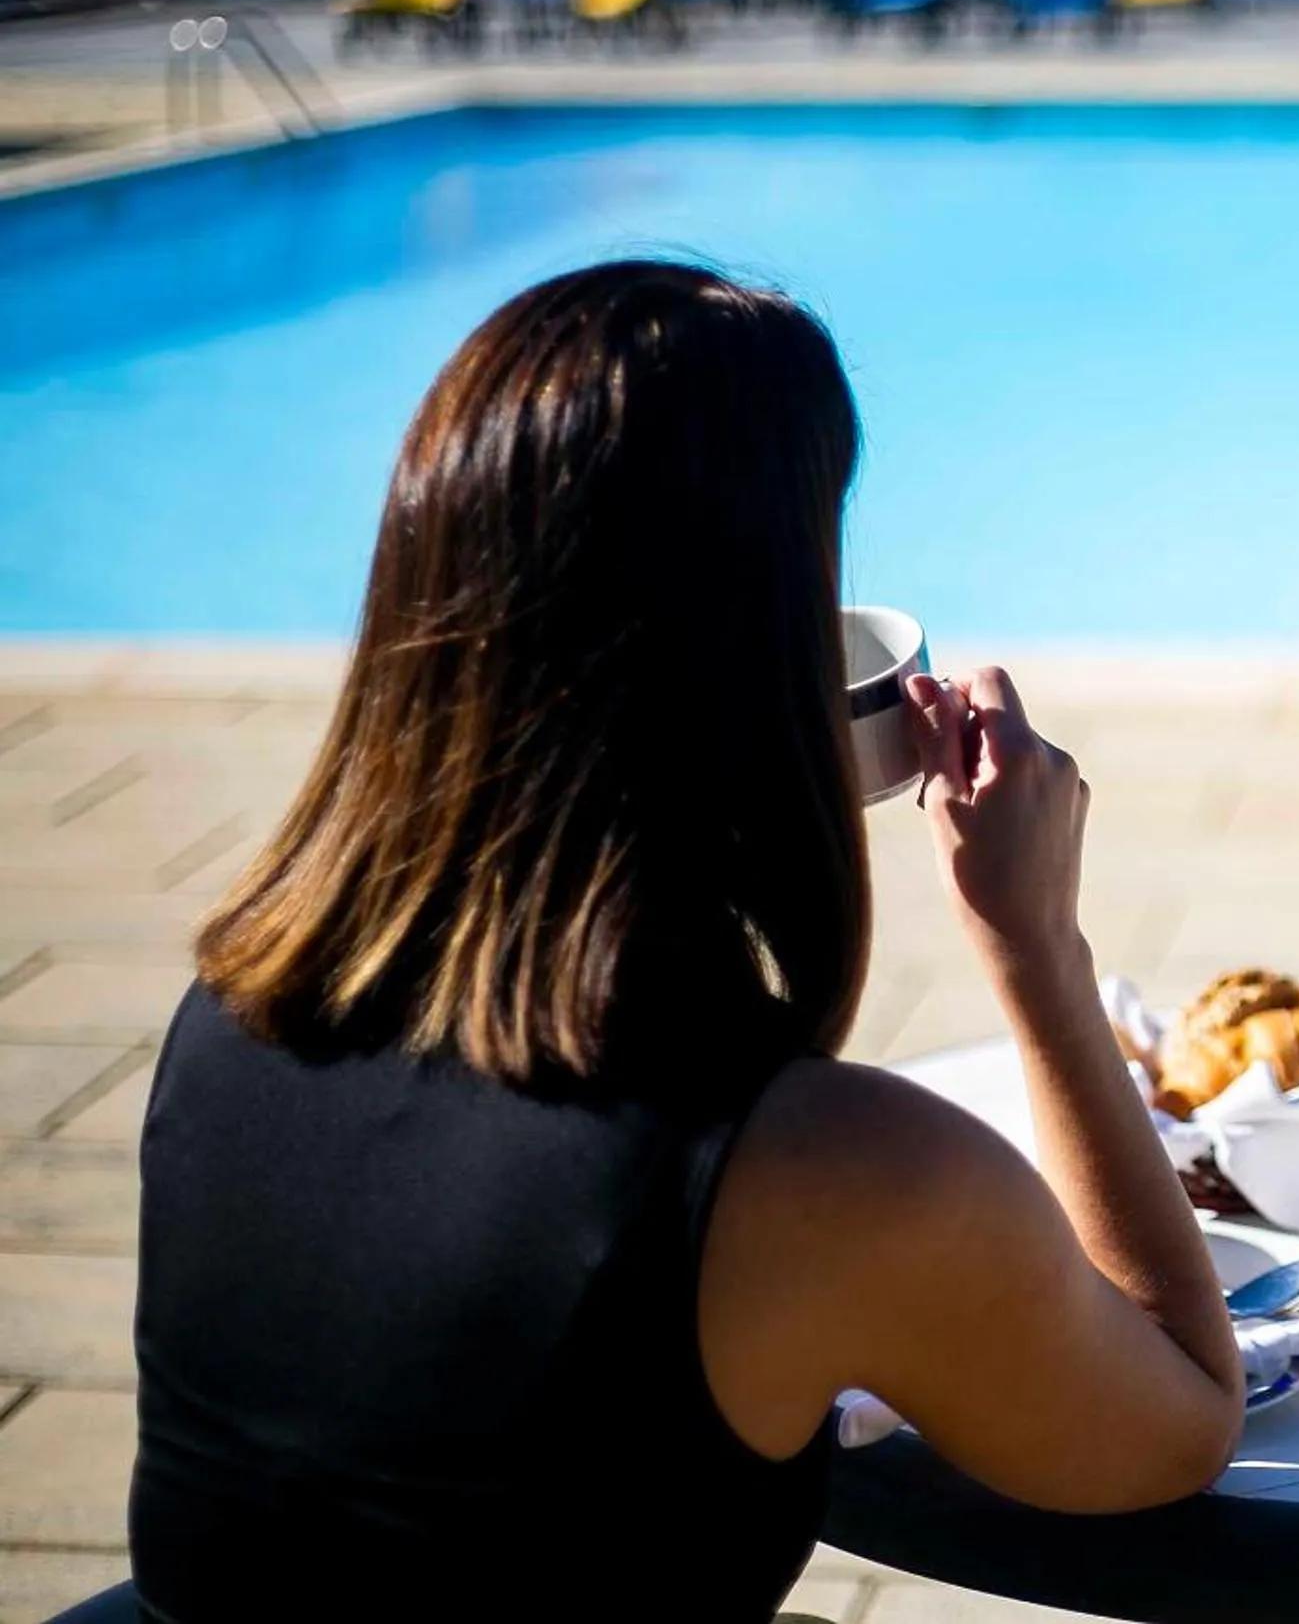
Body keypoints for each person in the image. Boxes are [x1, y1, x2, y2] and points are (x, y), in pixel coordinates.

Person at [126, 261, 1242, 1622]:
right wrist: (1039, 956)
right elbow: (1176, 1423)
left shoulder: (238, 1006)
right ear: (759, 649)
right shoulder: (827, 1167)